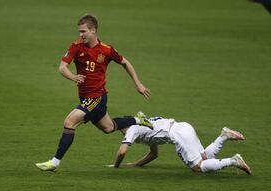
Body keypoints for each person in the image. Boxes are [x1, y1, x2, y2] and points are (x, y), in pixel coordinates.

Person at [36, 14, 151, 171]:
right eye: (79, 32)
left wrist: (138, 84)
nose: (80, 35)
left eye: (83, 31)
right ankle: (138, 120)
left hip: (96, 97)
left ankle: (54, 163)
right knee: (109, 128)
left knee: (69, 122)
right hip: (87, 98)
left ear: (93, 30)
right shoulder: (76, 46)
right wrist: (73, 77)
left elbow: (125, 62)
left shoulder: (106, 50)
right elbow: (62, 68)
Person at [107, 115, 252, 175]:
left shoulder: (132, 129)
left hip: (178, 135)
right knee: (204, 157)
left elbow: (122, 152)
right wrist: (136, 165)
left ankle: (234, 161)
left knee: (198, 167)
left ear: (121, 127)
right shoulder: (142, 123)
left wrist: (116, 166)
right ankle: (223, 136)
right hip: (183, 126)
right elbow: (154, 154)